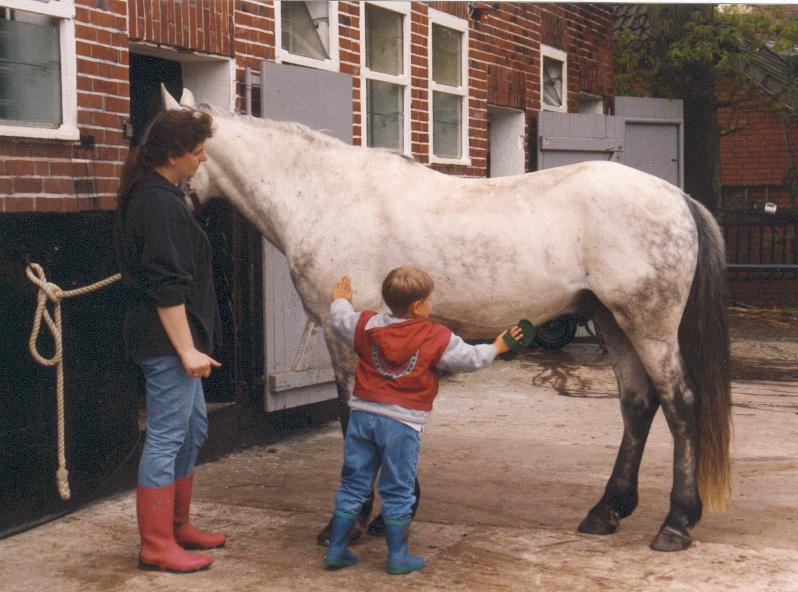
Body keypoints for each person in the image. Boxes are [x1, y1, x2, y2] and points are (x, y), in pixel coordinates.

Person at [323, 267, 523, 574]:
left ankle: (336, 549)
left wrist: (340, 299)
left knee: (353, 484)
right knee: (398, 488)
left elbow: (340, 320)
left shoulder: (366, 325)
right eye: (430, 300)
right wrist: (497, 347)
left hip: (362, 416)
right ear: (418, 306)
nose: (431, 305)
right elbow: (470, 359)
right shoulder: (436, 336)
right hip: (402, 424)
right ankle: (398, 556)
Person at [114, 109, 225, 573]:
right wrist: (186, 350)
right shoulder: (158, 203)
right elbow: (166, 286)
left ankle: (177, 526)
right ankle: (156, 544)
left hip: (175, 341)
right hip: (166, 344)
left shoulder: (163, 193)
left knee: (192, 429)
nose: (202, 160)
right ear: (174, 155)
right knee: (165, 437)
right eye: (197, 152)